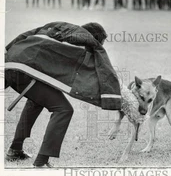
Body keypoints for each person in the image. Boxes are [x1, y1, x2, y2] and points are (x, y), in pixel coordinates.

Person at [5, 22, 121, 167]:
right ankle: (41, 162)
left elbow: (26, 35)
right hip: (23, 70)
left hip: (10, 64)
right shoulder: (83, 38)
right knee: (64, 109)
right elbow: (99, 68)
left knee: (37, 101)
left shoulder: (62, 31)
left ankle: (15, 150)